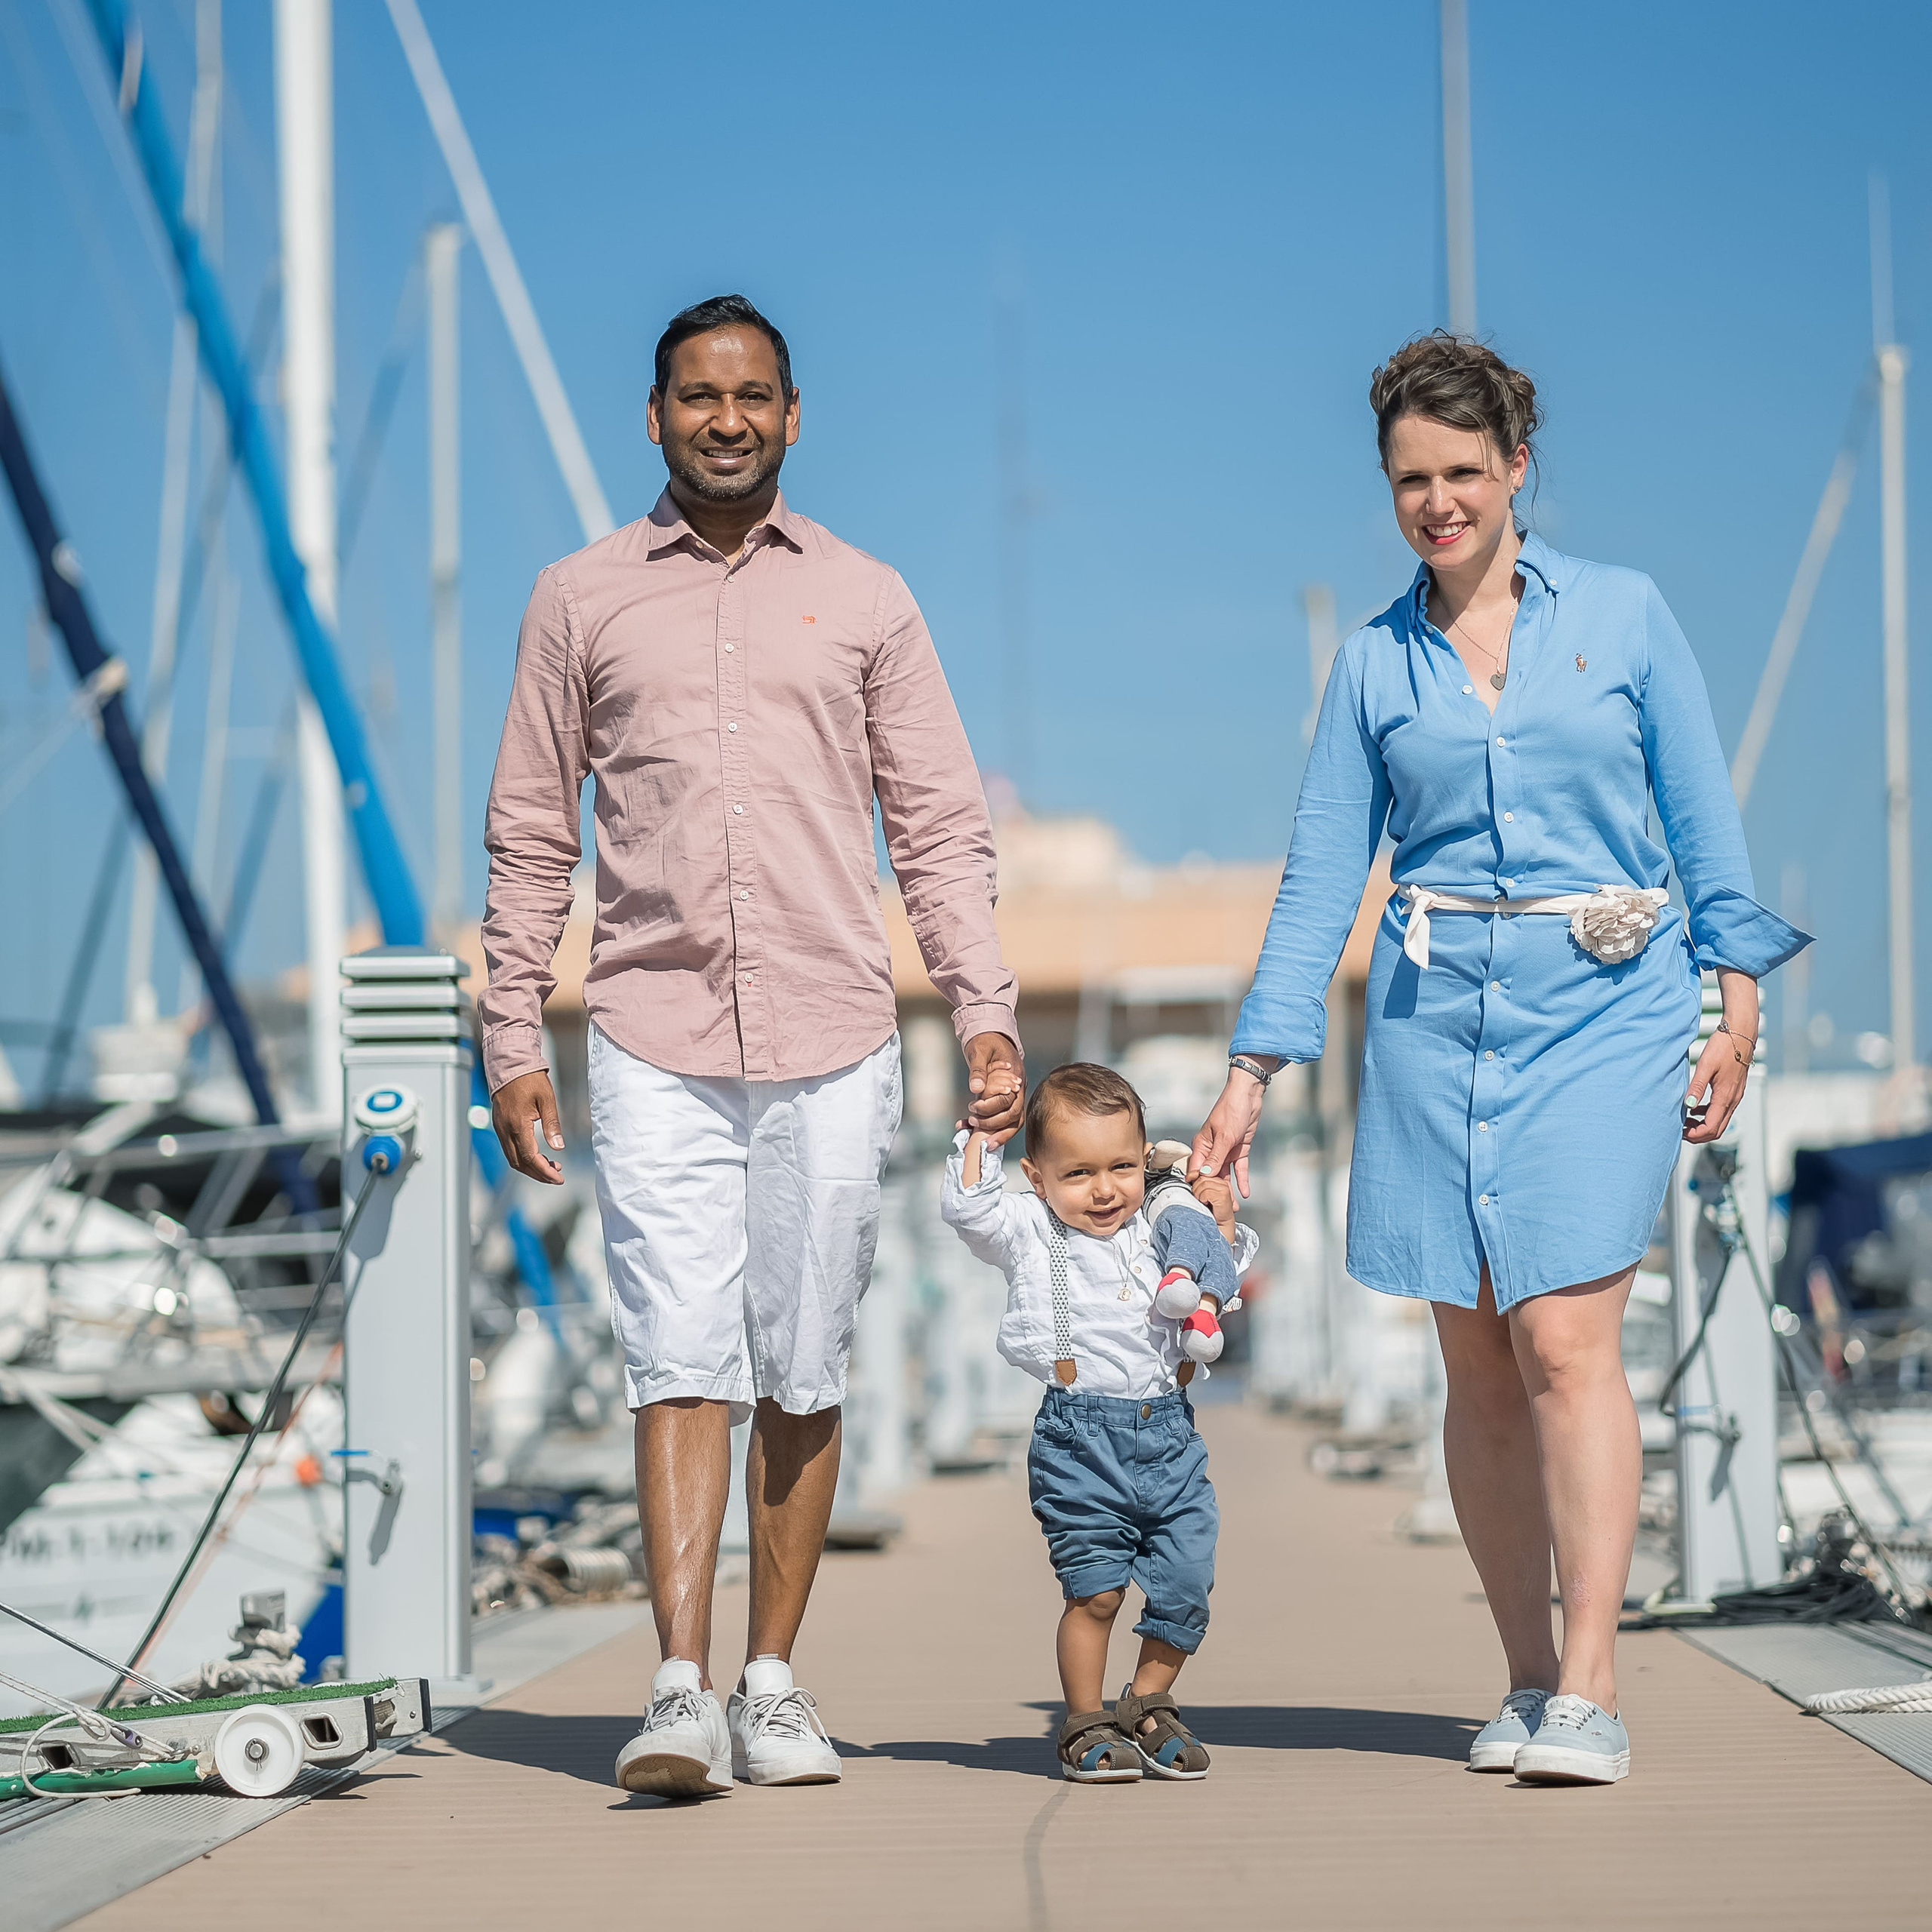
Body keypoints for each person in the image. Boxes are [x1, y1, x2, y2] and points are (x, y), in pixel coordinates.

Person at [1191, 333, 1807, 1786]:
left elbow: (1701, 815)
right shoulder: (1372, 664)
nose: (1439, 502)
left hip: (1608, 1006)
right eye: (1412, 479)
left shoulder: (1627, 616)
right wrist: (1251, 1071)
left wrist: (1737, 1001)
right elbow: (1321, 874)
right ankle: (1526, 1675)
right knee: (1474, 1365)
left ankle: (1593, 1683)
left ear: (1518, 468)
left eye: (1464, 472)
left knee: (1566, 1341)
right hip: (1431, 1020)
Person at [480, 294, 1023, 1798]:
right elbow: (530, 833)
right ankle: (677, 1686)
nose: (726, 418)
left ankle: (770, 1684)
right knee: (675, 1353)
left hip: (834, 1032)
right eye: (698, 395)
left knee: (801, 1359)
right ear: (654, 416)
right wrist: (511, 1025)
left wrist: (983, 1012)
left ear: (791, 416)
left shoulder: (869, 598)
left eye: (753, 395)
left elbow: (939, 829)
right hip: (649, 1031)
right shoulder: (577, 599)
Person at [944, 1064, 1252, 1783]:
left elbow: (1222, 1269)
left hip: (1171, 1438)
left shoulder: (1163, 1224)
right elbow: (970, 1211)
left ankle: (1146, 1701)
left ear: (1145, 1161)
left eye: (1121, 1167)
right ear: (1038, 1177)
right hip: (1079, 1441)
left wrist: (1220, 1218)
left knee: (1186, 1582)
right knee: (1097, 1590)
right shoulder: (1030, 1229)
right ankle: (1084, 1720)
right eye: (1078, 1173)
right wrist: (983, 1138)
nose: (1105, 1190)